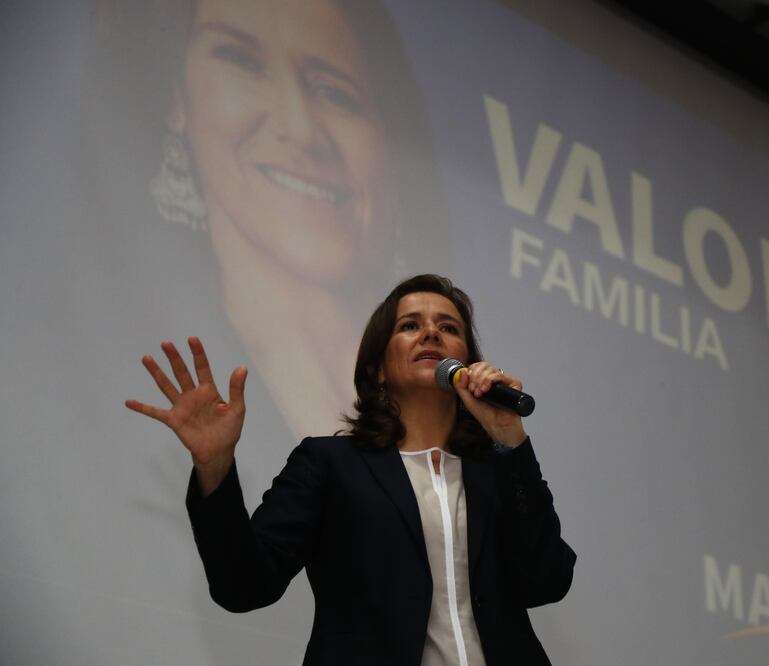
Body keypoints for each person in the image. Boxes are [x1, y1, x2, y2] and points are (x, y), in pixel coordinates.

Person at [125, 274, 576, 665]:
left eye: (448, 328)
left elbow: (547, 581)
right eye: (410, 326)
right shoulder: (330, 465)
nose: (431, 334)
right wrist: (215, 464)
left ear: (467, 364)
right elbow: (244, 586)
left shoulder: (498, 472)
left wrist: (510, 439)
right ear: (378, 369)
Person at [88, 0, 451, 440]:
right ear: (177, 99)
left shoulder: (450, 418)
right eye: (243, 62)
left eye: (335, 93)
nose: (300, 129)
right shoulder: (106, 367)